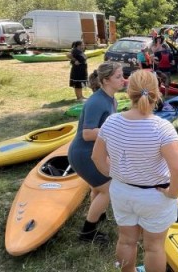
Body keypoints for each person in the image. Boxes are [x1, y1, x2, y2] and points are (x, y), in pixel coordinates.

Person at [92, 70, 178, 272]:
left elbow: (97, 158)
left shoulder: (111, 122)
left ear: (128, 92)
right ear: (158, 92)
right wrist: (172, 193)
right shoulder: (162, 128)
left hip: (122, 191)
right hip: (155, 196)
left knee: (126, 241)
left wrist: (117, 175)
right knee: (154, 247)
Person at [68, 61, 125, 244]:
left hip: (94, 153)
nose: (123, 80)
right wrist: (117, 128)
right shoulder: (96, 101)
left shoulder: (111, 99)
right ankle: (87, 233)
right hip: (83, 154)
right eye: (118, 77)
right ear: (106, 80)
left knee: (97, 188)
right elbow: (87, 133)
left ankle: (97, 216)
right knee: (108, 190)